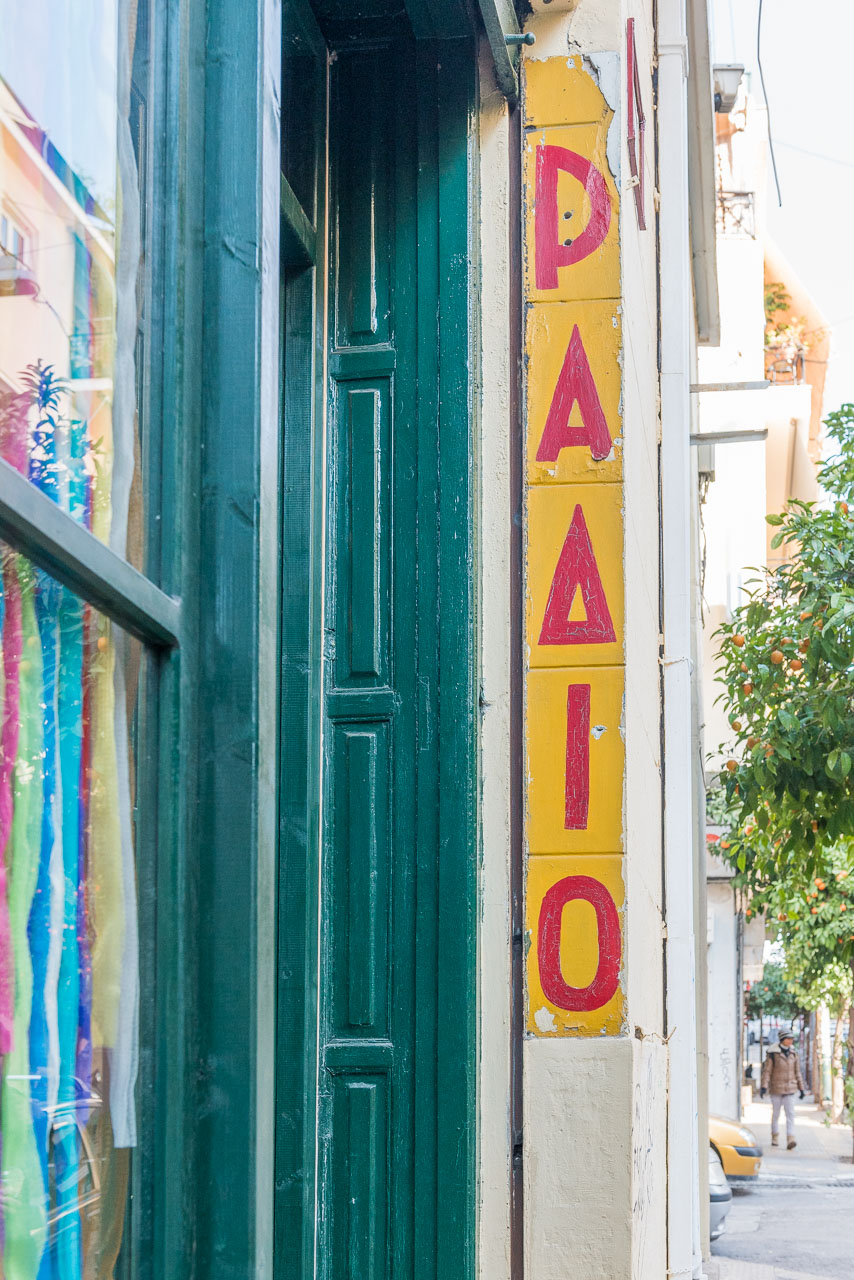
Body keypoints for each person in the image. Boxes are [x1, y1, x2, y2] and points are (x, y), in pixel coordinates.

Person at [760, 1028, 805, 1149]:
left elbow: (797, 1072)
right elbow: (767, 1071)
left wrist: (801, 1088)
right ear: (782, 1039)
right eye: (788, 1038)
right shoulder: (773, 1054)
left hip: (790, 1089)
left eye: (792, 1039)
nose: (791, 1041)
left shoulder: (793, 1054)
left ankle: (791, 1138)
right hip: (776, 1088)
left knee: (790, 1114)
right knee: (776, 1114)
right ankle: (775, 1136)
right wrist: (764, 1086)